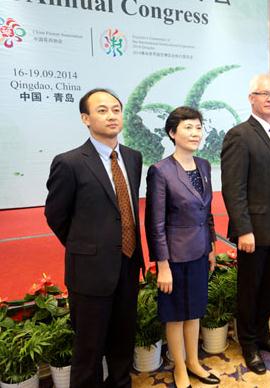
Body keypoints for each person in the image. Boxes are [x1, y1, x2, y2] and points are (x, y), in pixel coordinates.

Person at [45, 88, 144, 387]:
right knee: (88, 349)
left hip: (127, 264)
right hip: (89, 272)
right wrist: (85, 247)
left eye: (116, 109)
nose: (111, 115)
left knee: (123, 339)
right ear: (85, 118)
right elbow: (56, 216)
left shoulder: (133, 157)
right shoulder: (70, 162)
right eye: (102, 110)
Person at [221, 74, 270, 374]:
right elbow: (233, 188)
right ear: (251, 98)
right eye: (264, 93)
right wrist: (244, 229)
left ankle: (263, 335)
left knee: (268, 287)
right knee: (249, 290)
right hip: (253, 231)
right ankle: (248, 344)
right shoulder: (239, 135)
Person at [145, 107, 220, 387]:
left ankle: (194, 362)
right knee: (175, 316)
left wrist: (211, 246)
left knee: (195, 311)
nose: (195, 133)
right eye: (188, 127)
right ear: (172, 133)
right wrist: (162, 265)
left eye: (198, 127)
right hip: (174, 257)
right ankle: (179, 368)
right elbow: (156, 223)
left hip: (200, 252)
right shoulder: (160, 171)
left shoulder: (203, 165)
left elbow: (207, 210)